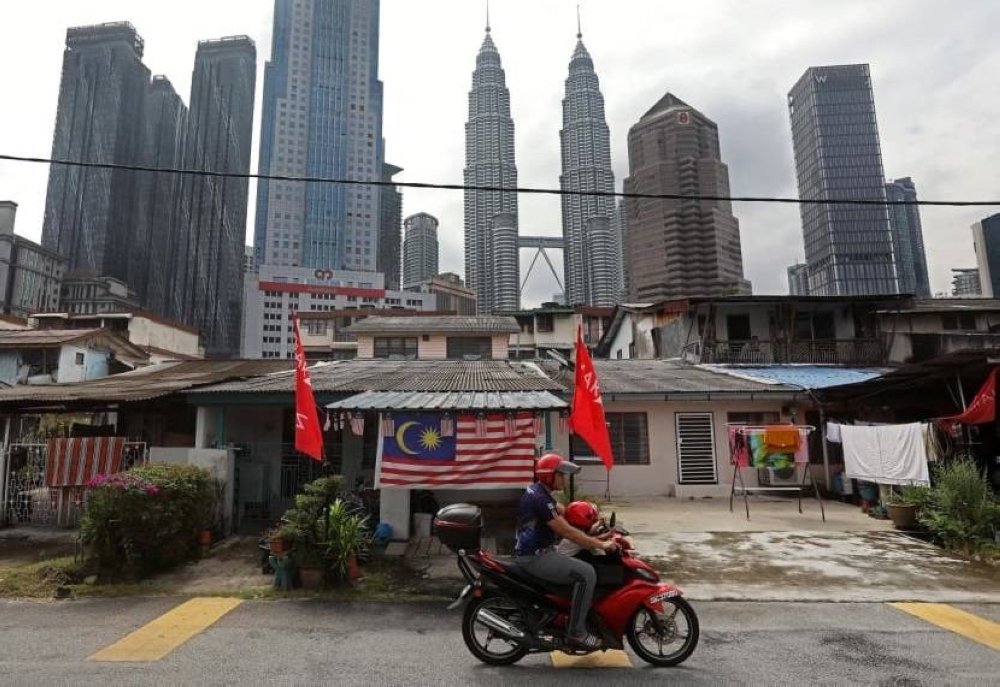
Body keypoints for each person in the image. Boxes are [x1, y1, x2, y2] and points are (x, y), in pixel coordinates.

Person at [514, 453, 618, 650]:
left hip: (536, 551)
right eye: (560, 475)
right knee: (587, 574)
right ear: (548, 476)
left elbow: (566, 512)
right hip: (536, 556)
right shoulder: (540, 500)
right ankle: (576, 632)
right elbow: (567, 531)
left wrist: (592, 521)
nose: (564, 478)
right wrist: (600, 544)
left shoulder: (541, 493)